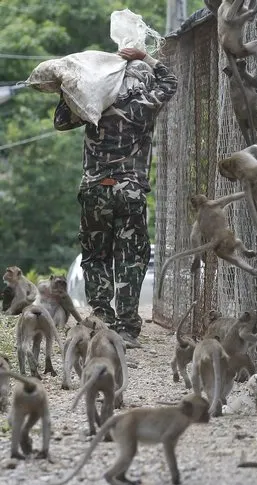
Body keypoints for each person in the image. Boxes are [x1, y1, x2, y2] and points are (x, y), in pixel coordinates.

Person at [53, 47, 178, 348]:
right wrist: (146, 57)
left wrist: (67, 87)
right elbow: (170, 82)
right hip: (130, 191)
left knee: (96, 255)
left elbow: (60, 121)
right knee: (131, 259)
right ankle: (126, 329)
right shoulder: (144, 103)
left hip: (94, 190)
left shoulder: (93, 102)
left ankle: (100, 319)